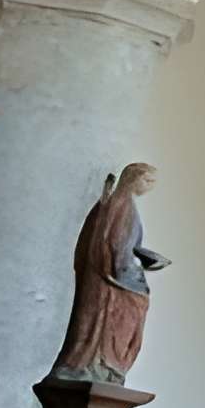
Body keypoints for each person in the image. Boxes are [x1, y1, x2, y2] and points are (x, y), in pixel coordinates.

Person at [48, 162, 166, 387]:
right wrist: (138, 276)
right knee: (135, 305)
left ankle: (101, 365)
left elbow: (122, 244)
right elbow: (117, 251)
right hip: (109, 280)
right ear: (133, 179)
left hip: (107, 276)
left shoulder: (119, 203)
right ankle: (100, 364)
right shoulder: (123, 206)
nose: (149, 187)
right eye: (147, 180)